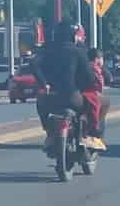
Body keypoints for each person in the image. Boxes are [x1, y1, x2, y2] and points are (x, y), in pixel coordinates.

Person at [31, 21, 96, 150]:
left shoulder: (47, 51)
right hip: (72, 96)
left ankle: (49, 134)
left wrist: (44, 83)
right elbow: (90, 76)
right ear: (72, 36)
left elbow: (33, 64)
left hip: (52, 98)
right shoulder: (78, 52)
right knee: (90, 106)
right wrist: (84, 85)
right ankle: (87, 135)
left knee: (40, 104)